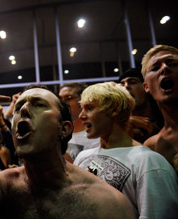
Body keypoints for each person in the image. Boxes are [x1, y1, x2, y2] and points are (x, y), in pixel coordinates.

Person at [0, 89, 134, 218]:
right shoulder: (2, 185)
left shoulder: (107, 202)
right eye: (18, 108)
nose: (23, 110)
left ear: (64, 128)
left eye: (39, 104)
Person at [74, 82, 178, 218]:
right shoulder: (82, 157)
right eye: (82, 109)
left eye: (89, 108)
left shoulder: (149, 162)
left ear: (114, 110)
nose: (81, 116)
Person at [141, 45, 178, 173]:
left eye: (173, 64)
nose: (165, 68)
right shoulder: (151, 146)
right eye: (156, 68)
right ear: (146, 87)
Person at [119, 68, 163, 143]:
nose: (126, 86)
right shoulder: (119, 125)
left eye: (132, 82)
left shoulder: (167, 116)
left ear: (146, 87)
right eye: (122, 85)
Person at [59, 82, 99, 160]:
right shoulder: (59, 133)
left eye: (68, 98)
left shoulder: (95, 137)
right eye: (60, 99)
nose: (63, 103)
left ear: (83, 101)